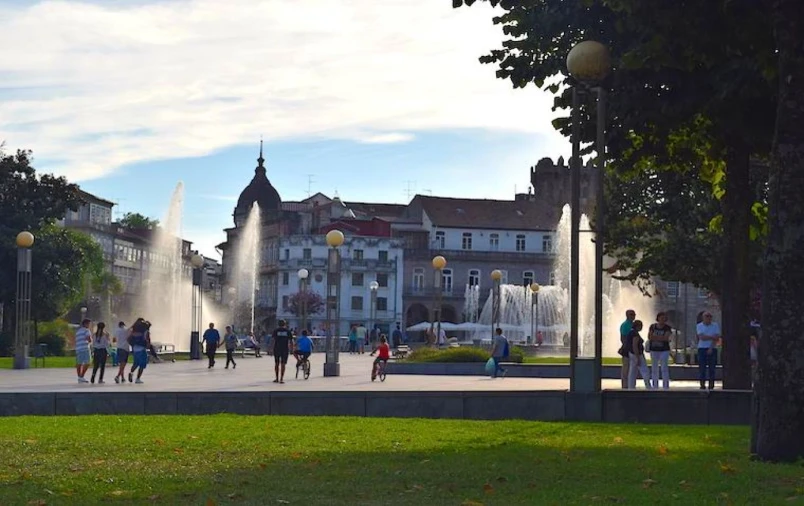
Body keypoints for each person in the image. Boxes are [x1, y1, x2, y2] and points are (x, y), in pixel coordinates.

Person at [696, 312, 721, 390]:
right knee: (702, 368)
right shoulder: (699, 326)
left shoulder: (715, 325)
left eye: (709, 316)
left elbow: (717, 338)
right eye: (706, 317)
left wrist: (711, 347)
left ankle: (711, 385)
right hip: (702, 348)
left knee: (712, 368)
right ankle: (702, 385)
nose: (708, 318)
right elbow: (701, 337)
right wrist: (712, 337)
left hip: (712, 348)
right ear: (703, 318)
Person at [648, 312, 673, 389]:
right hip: (654, 349)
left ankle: (665, 386)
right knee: (654, 368)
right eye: (661, 318)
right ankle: (655, 386)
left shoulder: (667, 327)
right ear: (658, 318)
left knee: (664, 368)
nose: (662, 319)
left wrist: (655, 337)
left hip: (664, 350)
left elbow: (666, 338)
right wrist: (661, 337)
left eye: (664, 318)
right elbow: (650, 337)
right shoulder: (652, 326)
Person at [627, 320, 651, 389]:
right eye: (641, 326)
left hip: (631, 353)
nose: (642, 328)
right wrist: (638, 357)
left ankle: (631, 386)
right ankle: (648, 385)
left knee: (632, 371)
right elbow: (635, 345)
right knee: (644, 370)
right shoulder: (635, 334)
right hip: (637, 354)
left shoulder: (631, 332)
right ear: (637, 326)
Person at [128, 319, 150, 384]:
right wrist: (148, 345)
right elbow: (148, 341)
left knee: (136, 363)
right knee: (142, 365)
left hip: (135, 350)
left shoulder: (134, 332)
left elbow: (128, 339)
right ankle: (138, 378)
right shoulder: (145, 332)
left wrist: (133, 346)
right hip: (142, 349)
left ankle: (131, 373)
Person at [618, 309, 636, 389]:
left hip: (631, 349)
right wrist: (627, 347)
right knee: (626, 367)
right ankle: (625, 385)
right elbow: (623, 338)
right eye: (631, 314)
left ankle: (630, 384)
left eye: (634, 314)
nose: (633, 316)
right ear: (627, 315)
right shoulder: (625, 325)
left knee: (630, 368)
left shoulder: (632, 324)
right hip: (627, 349)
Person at [272, 320, 293, 384]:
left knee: (277, 363)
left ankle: (277, 378)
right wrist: (292, 349)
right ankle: (281, 379)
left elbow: (273, 340)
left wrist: (270, 348)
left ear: (278, 324)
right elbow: (291, 341)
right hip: (285, 349)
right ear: (285, 324)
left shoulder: (276, 331)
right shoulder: (288, 331)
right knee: (283, 364)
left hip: (277, 348)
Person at [75, 318, 92, 383]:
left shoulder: (78, 331)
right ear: (85, 324)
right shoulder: (86, 330)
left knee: (79, 363)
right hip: (85, 348)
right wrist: (91, 341)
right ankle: (81, 376)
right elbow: (89, 339)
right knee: (88, 362)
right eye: (88, 324)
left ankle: (79, 377)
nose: (89, 325)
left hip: (78, 349)